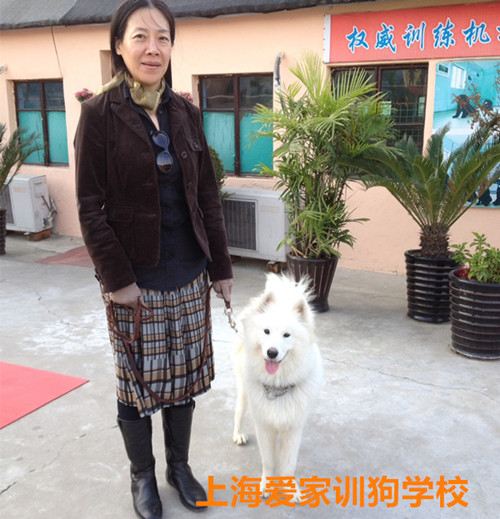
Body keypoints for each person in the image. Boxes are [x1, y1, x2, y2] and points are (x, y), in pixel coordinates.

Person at [74, 1, 233, 517]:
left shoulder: (185, 113)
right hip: (134, 279)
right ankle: (141, 475)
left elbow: (206, 195)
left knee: (183, 379)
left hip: (188, 270)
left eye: (162, 37)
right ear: (119, 45)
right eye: (140, 37)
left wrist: (221, 267)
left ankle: (178, 467)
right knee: (137, 383)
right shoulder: (99, 114)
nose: (152, 48)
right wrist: (117, 279)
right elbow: (89, 208)